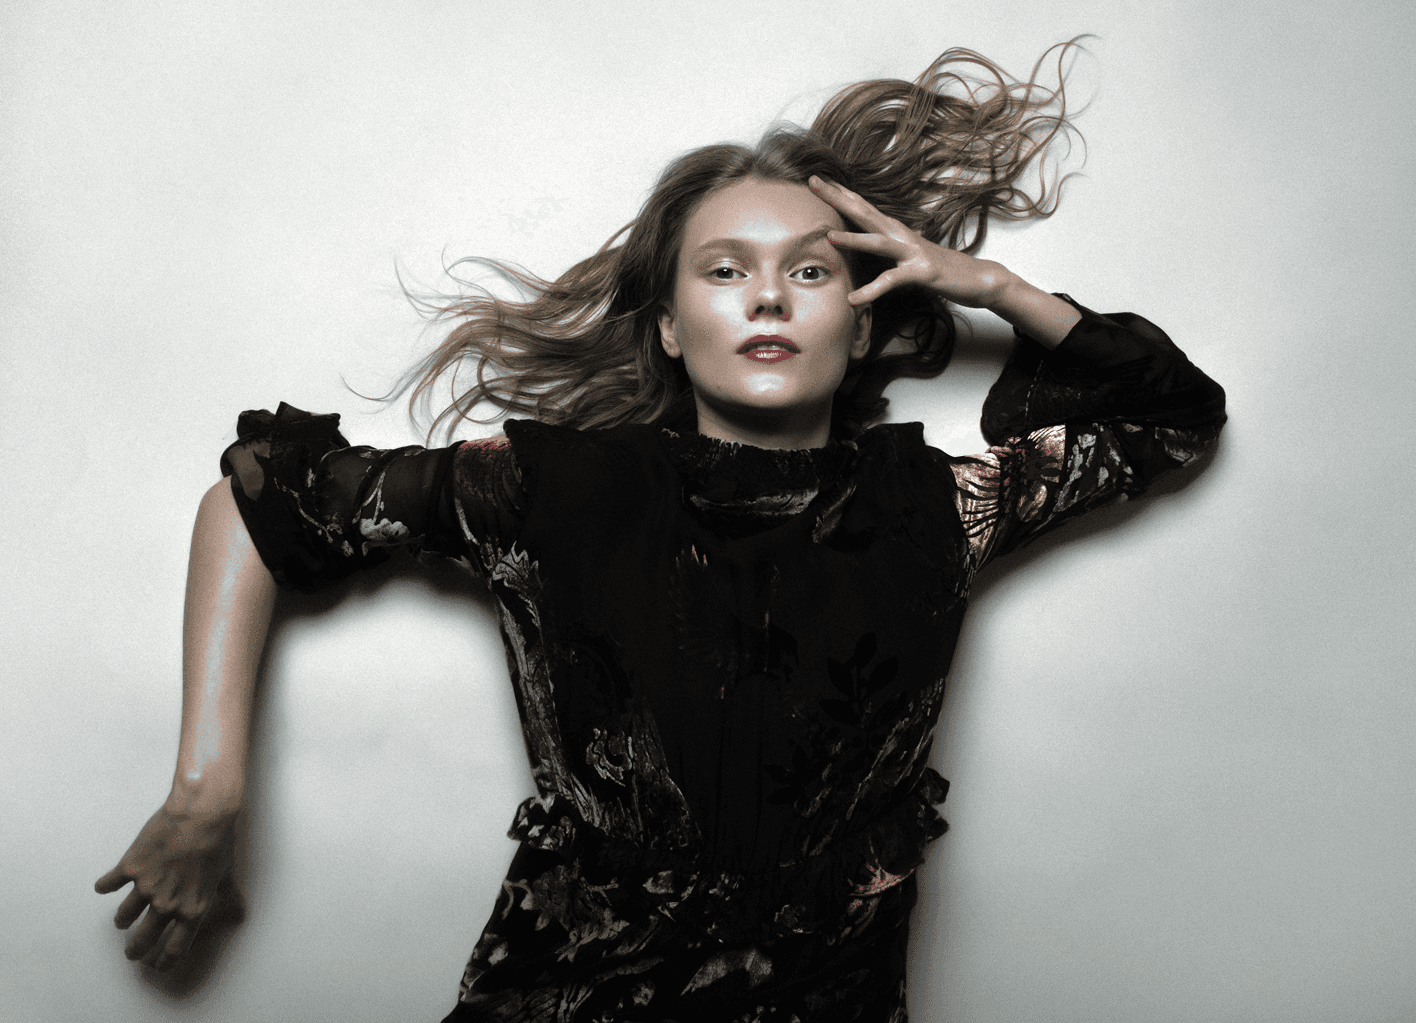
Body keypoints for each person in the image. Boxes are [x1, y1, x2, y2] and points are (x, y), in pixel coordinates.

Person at [94, 43, 1226, 1022]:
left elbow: (1173, 415)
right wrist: (208, 791)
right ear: (674, 329)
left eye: (813, 270)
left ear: (861, 319)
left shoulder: (938, 508)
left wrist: (986, 282)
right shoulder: (554, 489)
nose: (768, 298)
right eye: (725, 271)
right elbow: (260, 498)